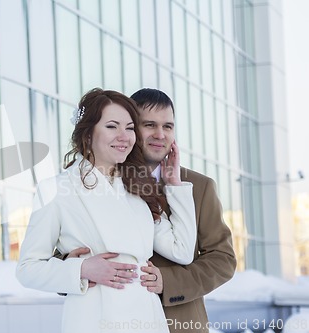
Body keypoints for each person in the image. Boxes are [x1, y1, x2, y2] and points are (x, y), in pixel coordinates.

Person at [16, 88, 197, 333]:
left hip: (147, 317)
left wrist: (174, 184)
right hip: (95, 317)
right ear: (88, 134)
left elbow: (183, 251)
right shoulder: (57, 189)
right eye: (112, 126)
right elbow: (28, 268)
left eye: (130, 128)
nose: (124, 136)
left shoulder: (138, 187)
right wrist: (81, 269)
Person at [64, 88, 237, 333]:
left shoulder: (199, 187)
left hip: (180, 323)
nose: (160, 134)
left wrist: (169, 282)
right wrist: (76, 269)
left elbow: (223, 259)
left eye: (168, 126)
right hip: (112, 321)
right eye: (149, 125)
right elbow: (62, 252)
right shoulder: (98, 182)